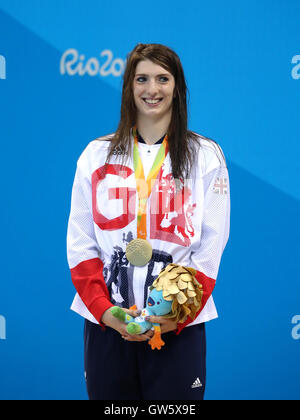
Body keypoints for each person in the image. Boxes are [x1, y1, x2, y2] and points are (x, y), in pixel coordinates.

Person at [67, 43, 230, 400]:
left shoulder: (205, 156)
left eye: (162, 78)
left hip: (178, 329)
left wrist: (178, 315)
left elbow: (210, 248)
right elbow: (81, 244)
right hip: (108, 326)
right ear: (129, 86)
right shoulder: (96, 155)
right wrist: (106, 313)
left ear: (177, 87)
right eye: (141, 79)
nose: (152, 89)